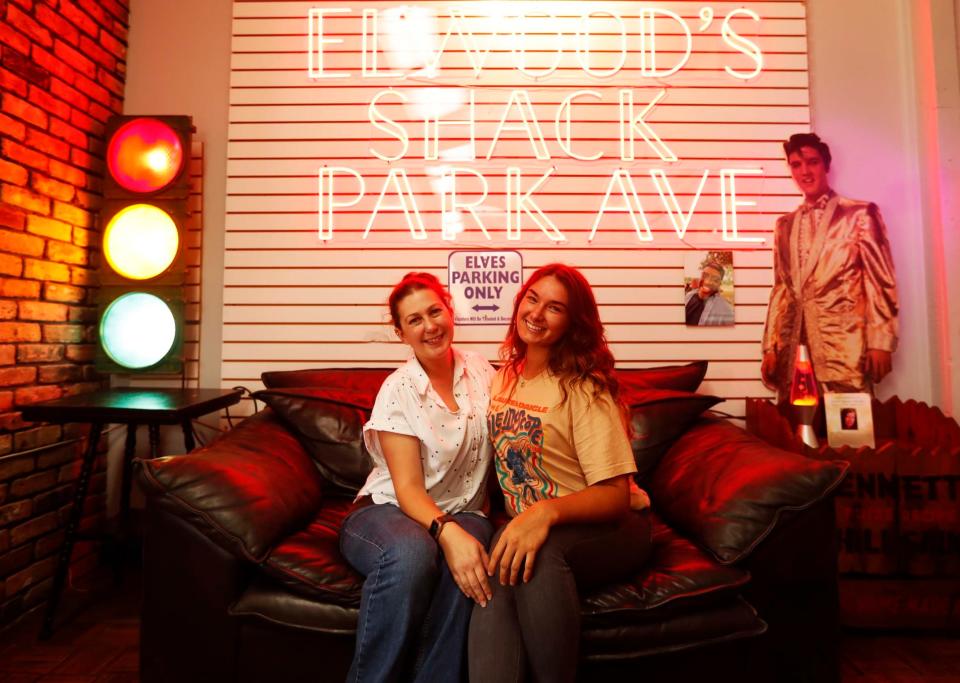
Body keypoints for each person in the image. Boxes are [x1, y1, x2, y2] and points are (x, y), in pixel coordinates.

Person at [468, 263, 652, 683]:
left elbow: (614, 496)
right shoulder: (503, 380)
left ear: (572, 322)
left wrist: (543, 513)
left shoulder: (583, 386)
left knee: (538, 557)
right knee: (500, 566)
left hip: (607, 525)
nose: (536, 313)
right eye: (532, 299)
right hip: (530, 524)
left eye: (555, 308)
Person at [339, 272, 495, 683]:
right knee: (411, 555)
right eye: (414, 320)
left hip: (465, 511)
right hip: (389, 511)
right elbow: (407, 490)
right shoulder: (398, 389)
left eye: (434, 311)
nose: (430, 326)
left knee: (472, 563)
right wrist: (448, 533)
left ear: (449, 310)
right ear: (401, 332)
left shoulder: (481, 370)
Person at [762, 133, 899, 400]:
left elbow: (880, 281)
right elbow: (781, 288)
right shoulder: (784, 225)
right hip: (794, 345)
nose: (805, 171)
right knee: (797, 429)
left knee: (850, 432)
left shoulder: (859, 214)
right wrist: (770, 347)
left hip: (844, 344)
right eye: (796, 165)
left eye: (812, 162)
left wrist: (881, 342)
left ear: (826, 165)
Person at [685, 261, 734, 326]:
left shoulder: (726, 311)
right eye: (705, 275)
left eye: (715, 280)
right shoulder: (688, 296)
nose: (708, 282)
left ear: (719, 284)